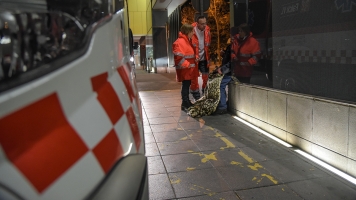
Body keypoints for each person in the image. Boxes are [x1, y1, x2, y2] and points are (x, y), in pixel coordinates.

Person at [214, 24, 261, 114]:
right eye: (238, 31)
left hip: (245, 71)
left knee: (244, 89)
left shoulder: (252, 42)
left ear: (245, 32)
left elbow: (257, 55)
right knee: (233, 87)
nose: (239, 33)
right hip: (236, 70)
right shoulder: (237, 41)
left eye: (241, 31)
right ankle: (229, 106)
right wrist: (233, 56)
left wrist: (249, 62)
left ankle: (243, 107)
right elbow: (232, 51)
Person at [172, 24, 198, 111]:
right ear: (188, 32)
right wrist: (188, 64)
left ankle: (186, 102)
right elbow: (178, 57)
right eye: (192, 31)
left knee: (187, 85)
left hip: (188, 69)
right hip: (185, 69)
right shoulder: (180, 42)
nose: (193, 33)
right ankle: (185, 103)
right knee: (186, 85)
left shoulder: (186, 41)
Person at [190, 15, 211, 100]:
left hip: (204, 58)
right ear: (197, 23)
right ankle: (196, 95)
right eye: (202, 24)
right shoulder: (191, 30)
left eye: (205, 23)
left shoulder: (207, 29)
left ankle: (205, 92)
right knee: (194, 78)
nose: (204, 25)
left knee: (205, 76)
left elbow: (207, 45)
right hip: (195, 59)